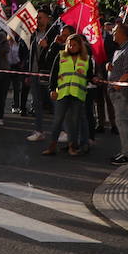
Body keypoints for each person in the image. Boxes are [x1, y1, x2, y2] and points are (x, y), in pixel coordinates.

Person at [43, 33, 91, 156]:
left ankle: (72, 147)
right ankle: (52, 146)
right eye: (69, 44)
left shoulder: (86, 59)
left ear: (80, 46)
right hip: (62, 93)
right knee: (57, 120)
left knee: (74, 122)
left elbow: (90, 75)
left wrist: (95, 78)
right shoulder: (61, 56)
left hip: (77, 94)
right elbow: (53, 75)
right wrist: (51, 89)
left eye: (74, 44)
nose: (71, 46)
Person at [107, 23, 128, 164]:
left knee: (122, 122)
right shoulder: (120, 48)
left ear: (121, 33)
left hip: (121, 93)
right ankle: (123, 151)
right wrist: (110, 67)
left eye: (114, 31)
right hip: (115, 91)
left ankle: (126, 154)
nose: (112, 33)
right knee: (120, 122)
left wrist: (117, 85)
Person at [26, 11, 59, 142]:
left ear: (47, 19)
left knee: (54, 102)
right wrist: (28, 73)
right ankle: (39, 131)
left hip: (48, 73)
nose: (37, 20)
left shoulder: (53, 33)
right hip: (34, 73)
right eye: (36, 18)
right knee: (37, 103)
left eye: (40, 18)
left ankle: (62, 130)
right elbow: (31, 55)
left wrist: (48, 46)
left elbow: (58, 53)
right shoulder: (33, 34)